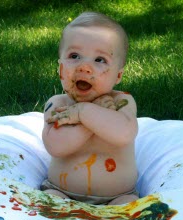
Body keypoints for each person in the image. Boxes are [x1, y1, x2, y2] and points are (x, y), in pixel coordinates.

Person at [41, 11, 139, 205]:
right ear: (60, 66)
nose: (85, 67)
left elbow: (124, 133)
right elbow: (56, 146)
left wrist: (84, 112)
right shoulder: (58, 104)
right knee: (49, 205)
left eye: (100, 60)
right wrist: (84, 113)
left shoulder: (122, 101)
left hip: (118, 197)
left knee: (129, 209)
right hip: (61, 192)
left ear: (118, 76)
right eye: (74, 56)